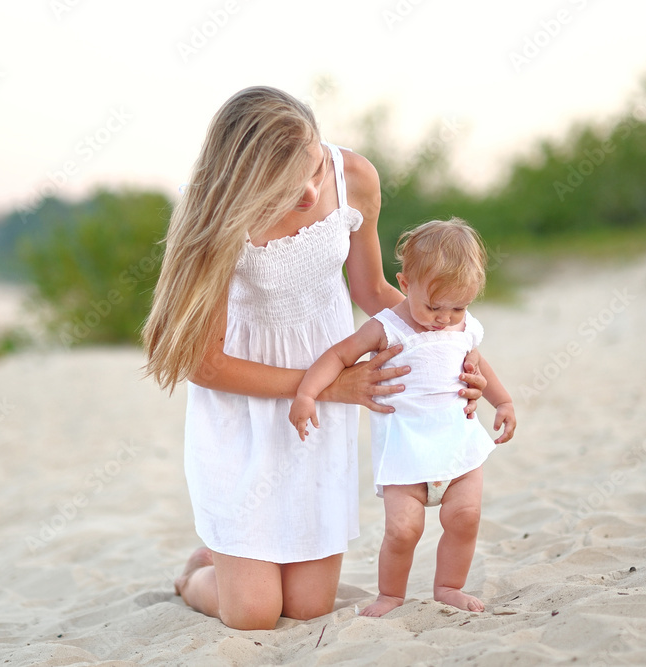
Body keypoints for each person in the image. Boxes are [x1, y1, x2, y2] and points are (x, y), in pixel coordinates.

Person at [142, 87, 487, 630]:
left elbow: (373, 291)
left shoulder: (354, 178)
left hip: (323, 399)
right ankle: (195, 573)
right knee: (254, 615)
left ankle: (242, 560)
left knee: (307, 608)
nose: (307, 192)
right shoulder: (212, 207)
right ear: (242, 180)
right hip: (246, 401)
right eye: (282, 185)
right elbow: (202, 365)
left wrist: (449, 348)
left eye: (312, 168)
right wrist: (331, 386)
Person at [289, 217, 516, 617]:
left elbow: (479, 365)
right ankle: (390, 595)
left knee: (466, 517)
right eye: (433, 306)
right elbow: (339, 356)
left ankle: (448, 586)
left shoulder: (464, 327)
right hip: (405, 454)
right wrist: (308, 392)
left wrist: (502, 401)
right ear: (406, 283)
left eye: (458, 307)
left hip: (458, 449)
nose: (444, 318)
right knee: (402, 529)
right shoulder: (387, 327)